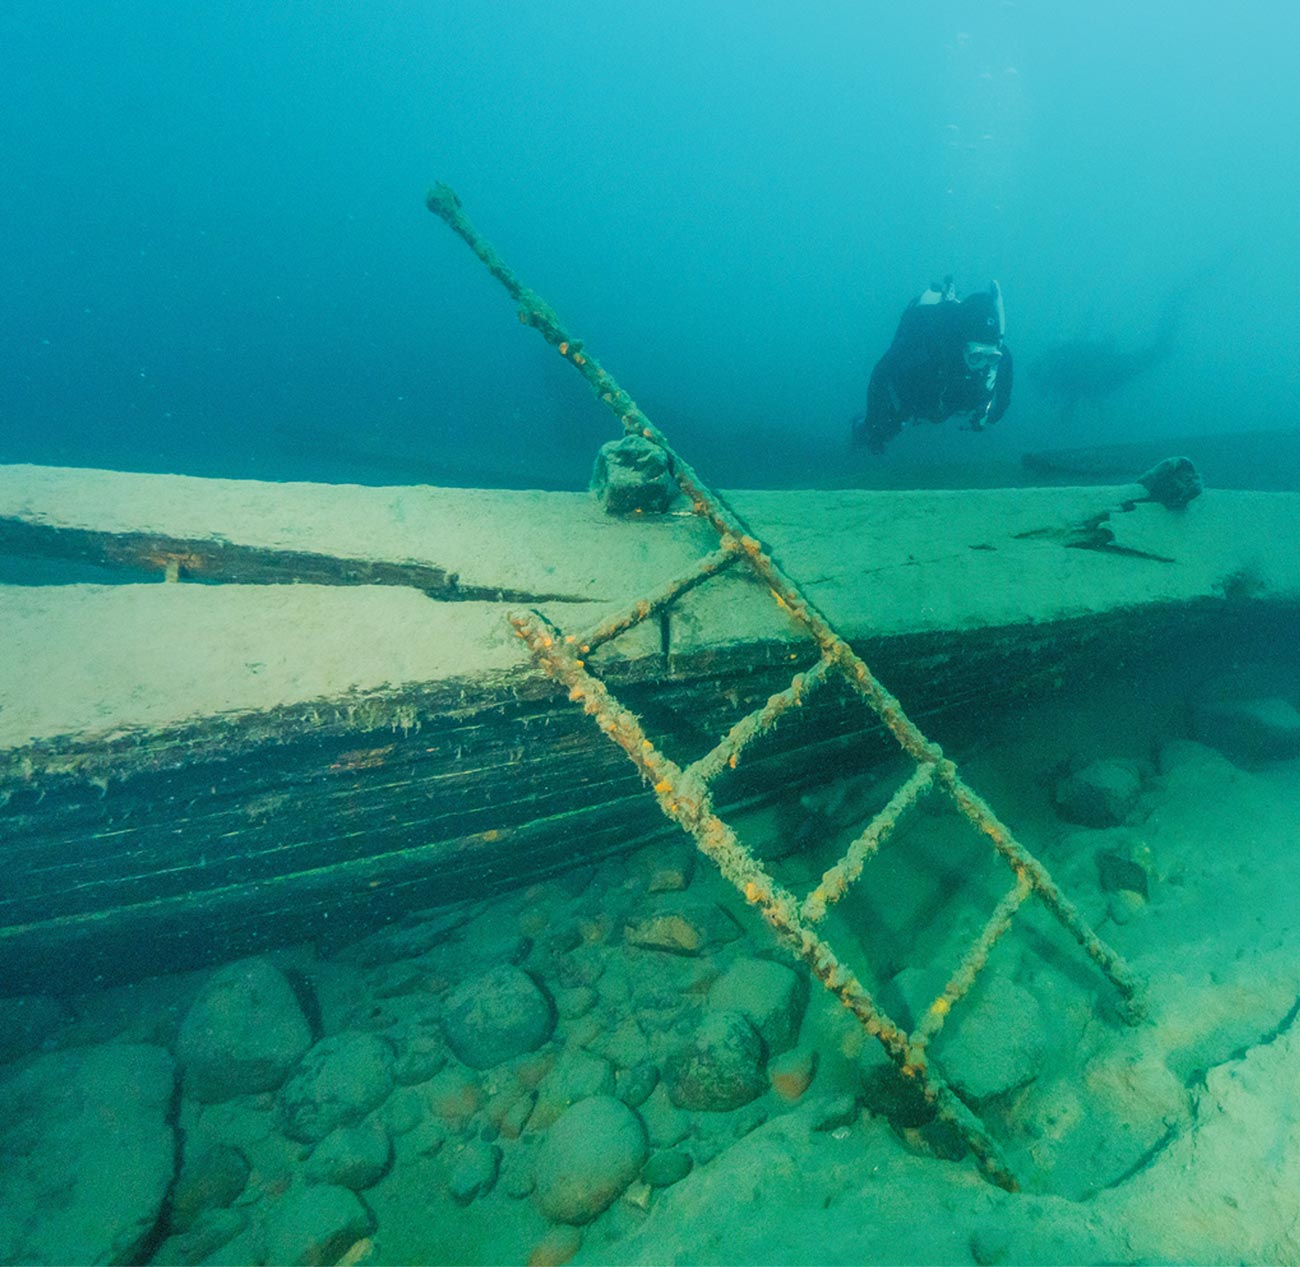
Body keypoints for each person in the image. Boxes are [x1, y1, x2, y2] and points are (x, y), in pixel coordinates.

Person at [853, 277, 1013, 454]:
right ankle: (860, 429)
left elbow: (1005, 365)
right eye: (976, 356)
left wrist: (998, 410)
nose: (982, 364)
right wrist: (872, 421)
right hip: (920, 390)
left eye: (991, 357)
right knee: (882, 431)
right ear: (961, 346)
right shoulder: (925, 345)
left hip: (952, 395)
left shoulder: (998, 354)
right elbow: (881, 373)